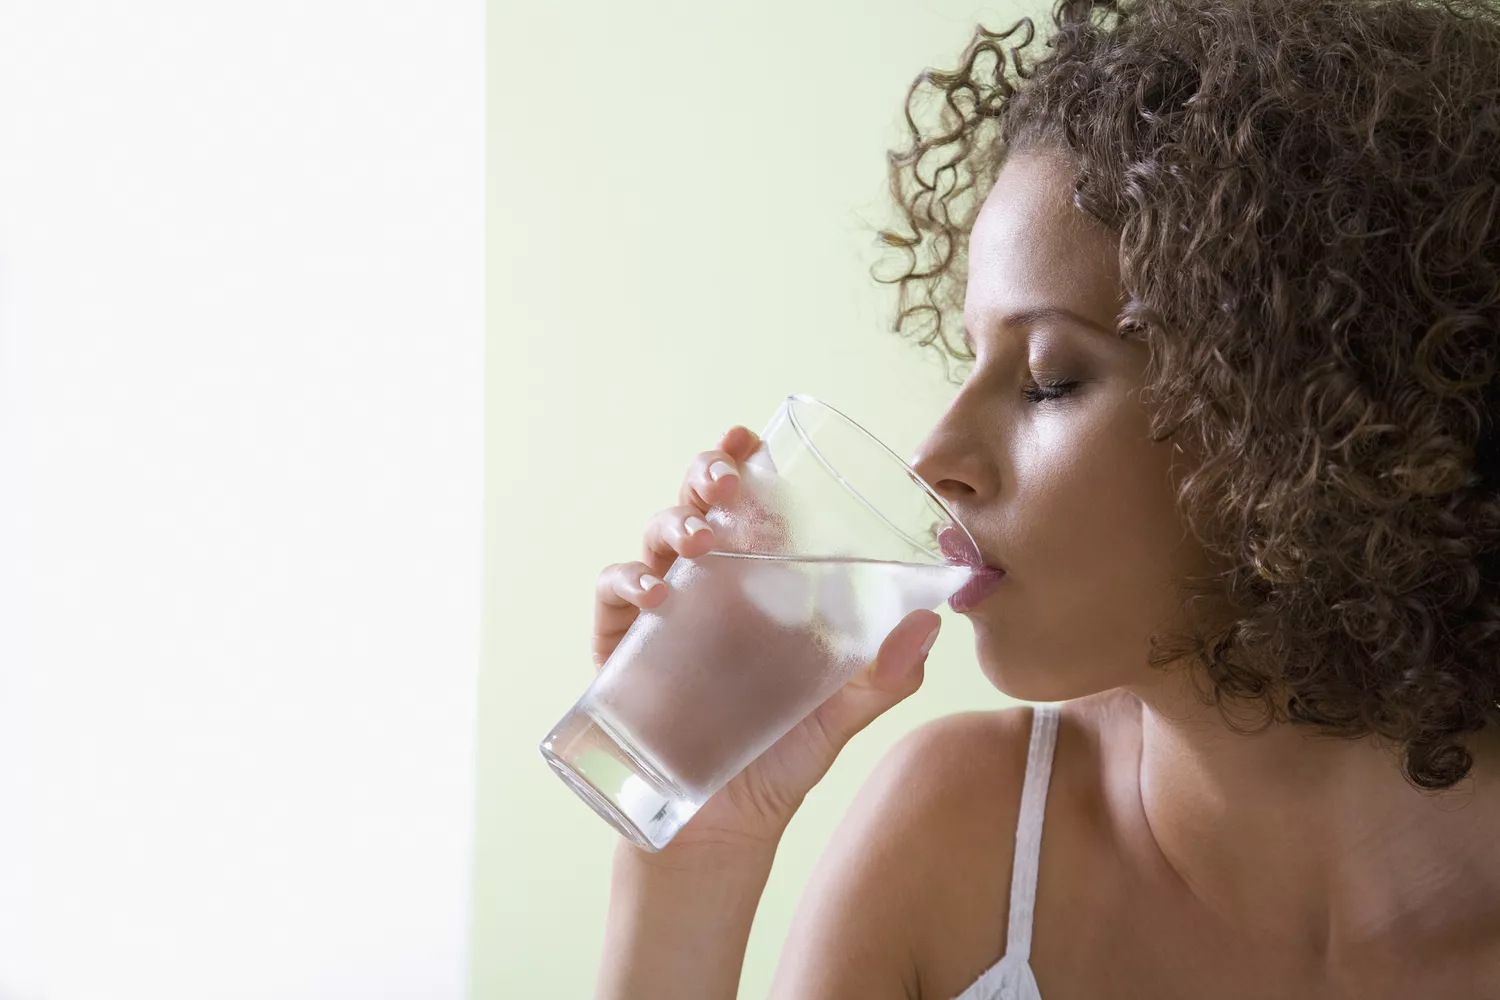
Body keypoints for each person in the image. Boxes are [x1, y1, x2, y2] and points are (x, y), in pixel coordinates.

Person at [588, 0, 1500, 996]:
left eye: (1050, 377)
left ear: (1315, 407)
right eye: (971, 356)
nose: (934, 456)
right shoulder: (953, 838)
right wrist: (695, 847)